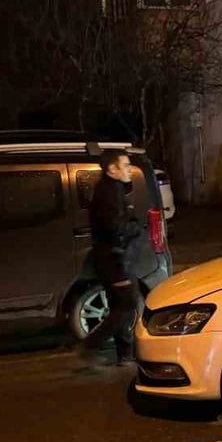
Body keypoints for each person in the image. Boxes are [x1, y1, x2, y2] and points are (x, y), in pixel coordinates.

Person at [78, 149, 143, 367]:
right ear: (112, 169)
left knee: (120, 307)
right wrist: (135, 227)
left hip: (114, 259)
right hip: (116, 261)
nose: (129, 170)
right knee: (127, 306)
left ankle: (125, 355)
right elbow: (117, 229)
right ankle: (91, 345)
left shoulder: (111, 188)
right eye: (125, 165)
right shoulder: (109, 193)